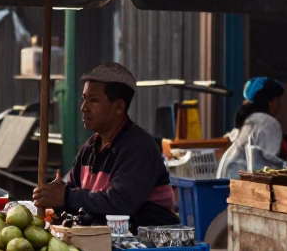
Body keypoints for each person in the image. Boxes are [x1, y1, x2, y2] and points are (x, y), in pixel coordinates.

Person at [33, 62, 178, 228]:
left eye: (93, 101)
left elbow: (120, 204)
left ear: (119, 107)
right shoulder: (90, 147)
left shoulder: (139, 148)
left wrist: (66, 197)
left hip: (146, 248)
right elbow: (71, 189)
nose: (83, 108)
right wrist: (55, 197)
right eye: (84, 98)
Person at [217, 77, 287, 178]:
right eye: (278, 100)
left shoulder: (249, 120)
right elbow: (267, 167)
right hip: (239, 183)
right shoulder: (267, 123)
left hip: (229, 180)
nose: (280, 105)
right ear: (270, 102)